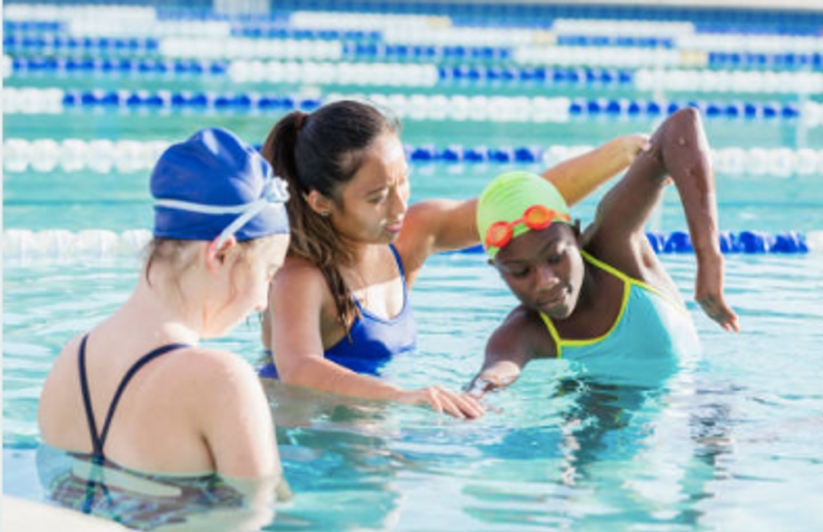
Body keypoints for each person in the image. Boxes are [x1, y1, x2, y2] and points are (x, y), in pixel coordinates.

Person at [260, 99, 649, 418]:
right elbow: (299, 368)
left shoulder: (408, 238)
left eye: (403, 181)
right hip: (301, 434)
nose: (399, 206)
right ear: (321, 202)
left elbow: (516, 204)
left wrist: (621, 155)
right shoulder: (301, 278)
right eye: (377, 198)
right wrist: (402, 396)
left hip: (367, 421)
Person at [38, 127, 290, 480]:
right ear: (220, 253)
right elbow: (261, 517)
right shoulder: (223, 381)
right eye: (268, 273)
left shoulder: (69, 362)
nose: (264, 302)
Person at [468, 107, 740, 393]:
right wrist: (476, 396)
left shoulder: (615, 247)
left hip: (699, 408)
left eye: (556, 257)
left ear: (575, 233)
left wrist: (709, 258)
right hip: (601, 420)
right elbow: (494, 373)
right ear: (497, 270)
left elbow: (681, 126)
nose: (546, 280)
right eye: (521, 271)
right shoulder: (524, 331)